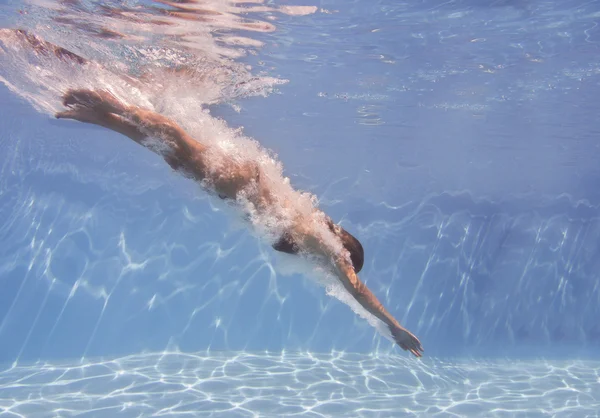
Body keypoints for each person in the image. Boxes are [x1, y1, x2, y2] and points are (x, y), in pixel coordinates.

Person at [3, 29, 424, 357]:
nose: (346, 272)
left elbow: (345, 286)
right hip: (239, 184)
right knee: (180, 144)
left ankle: (97, 114)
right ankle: (108, 104)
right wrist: (394, 328)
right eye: (349, 265)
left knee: (173, 154)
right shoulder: (327, 248)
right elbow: (357, 290)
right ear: (345, 252)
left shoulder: (313, 236)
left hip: (239, 185)